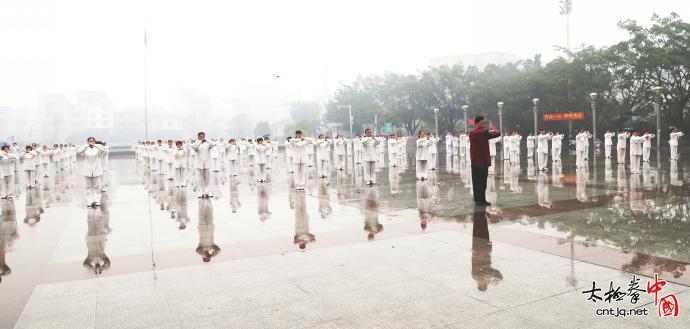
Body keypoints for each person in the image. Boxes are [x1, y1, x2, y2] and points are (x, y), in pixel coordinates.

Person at [469, 116, 501, 206]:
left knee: (483, 182)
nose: (483, 125)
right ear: (476, 123)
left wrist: (497, 132)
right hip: (476, 161)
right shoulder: (473, 133)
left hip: (484, 161)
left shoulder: (484, 133)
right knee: (477, 182)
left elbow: (495, 135)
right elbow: (480, 133)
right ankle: (477, 199)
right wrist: (488, 131)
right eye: (481, 123)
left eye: (484, 123)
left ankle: (482, 199)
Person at [77, 137, 107, 207]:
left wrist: (95, 145)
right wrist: (87, 145)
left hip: (96, 169)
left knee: (97, 187)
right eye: (89, 141)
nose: (91, 142)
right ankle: (89, 201)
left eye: (92, 141)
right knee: (88, 187)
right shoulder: (85, 149)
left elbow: (103, 150)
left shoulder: (97, 149)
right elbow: (79, 151)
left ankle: (97, 201)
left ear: (94, 142)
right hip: (87, 170)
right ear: (87, 142)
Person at [190, 132, 216, 198]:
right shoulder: (196, 143)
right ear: (198, 137)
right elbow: (193, 147)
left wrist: (207, 140)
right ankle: (201, 192)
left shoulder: (208, 143)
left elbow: (214, 144)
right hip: (199, 163)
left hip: (207, 162)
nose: (202, 137)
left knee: (208, 178)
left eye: (203, 136)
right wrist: (200, 141)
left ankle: (207, 192)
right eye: (200, 136)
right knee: (200, 179)